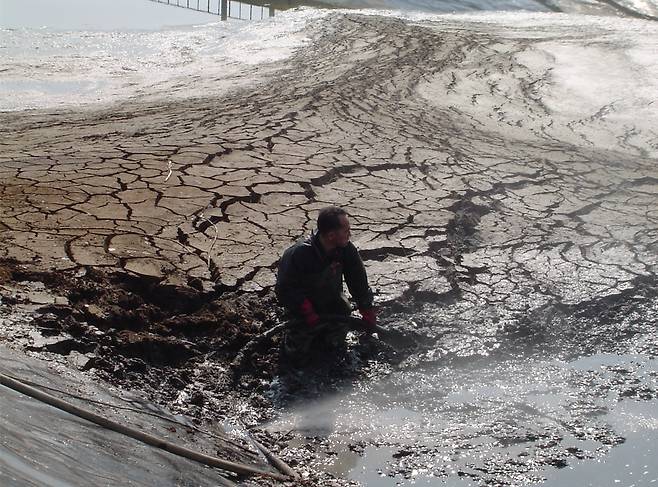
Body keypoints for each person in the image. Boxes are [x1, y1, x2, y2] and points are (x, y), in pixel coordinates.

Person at [276, 206, 376, 364]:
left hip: (333, 305)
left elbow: (358, 280)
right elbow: (284, 289)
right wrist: (306, 310)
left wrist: (366, 307)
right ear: (331, 235)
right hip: (302, 311)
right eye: (346, 230)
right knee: (297, 357)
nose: (349, 234)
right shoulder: (299, 254)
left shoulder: (346, 250)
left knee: (334, 348)